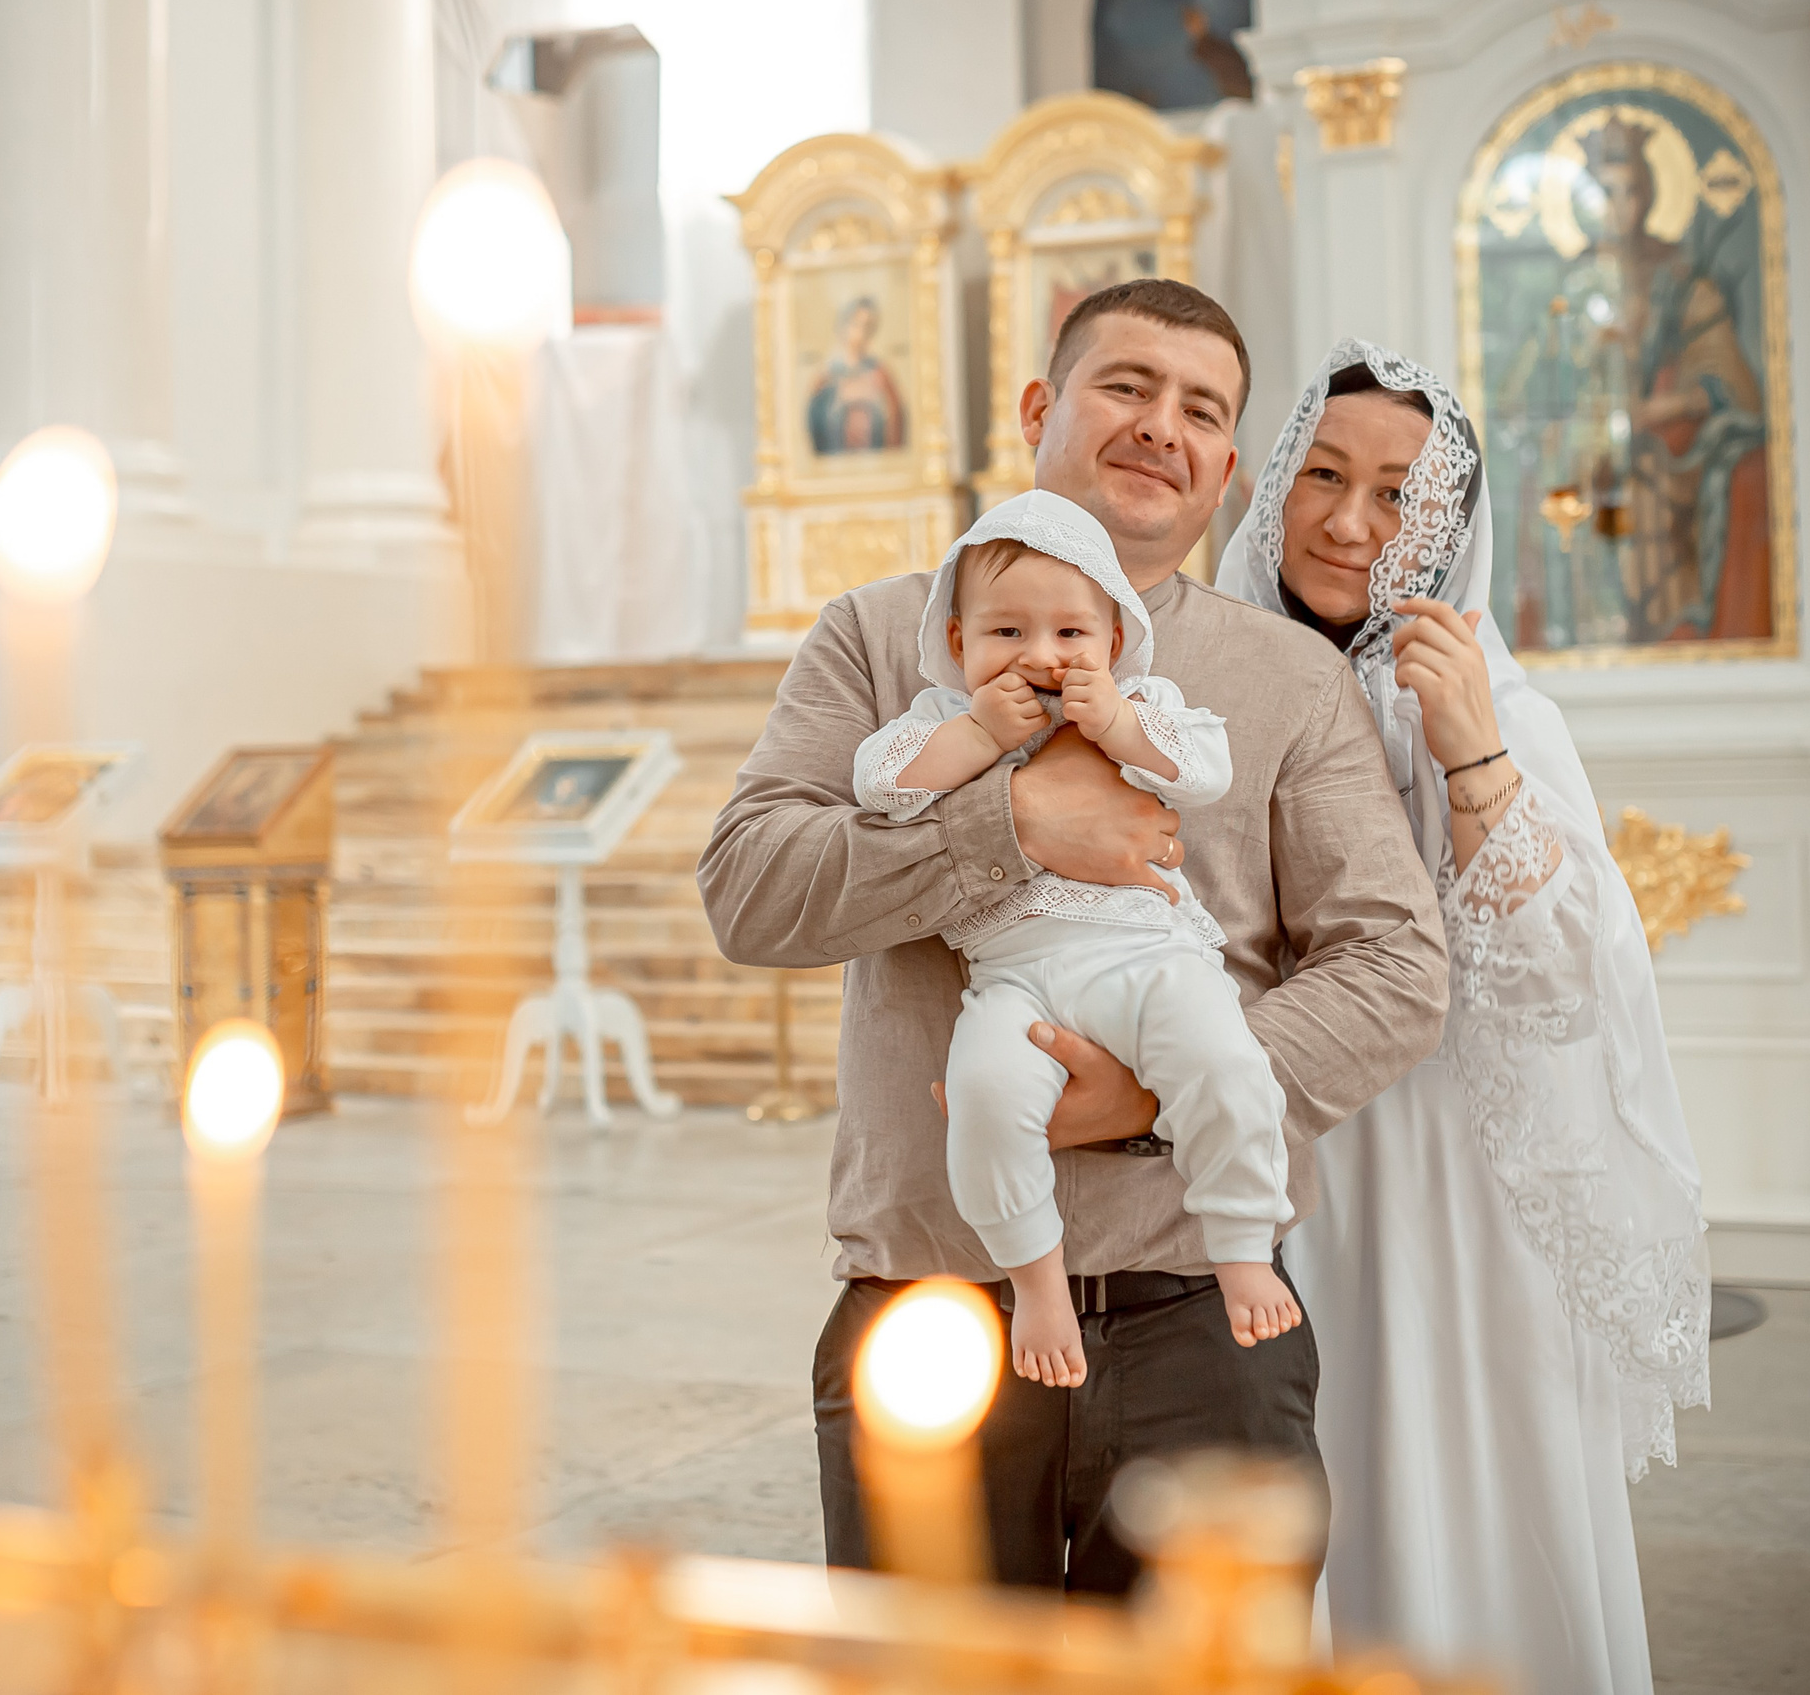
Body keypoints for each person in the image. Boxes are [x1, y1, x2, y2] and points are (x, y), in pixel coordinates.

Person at [698, 279, 1448, 1594]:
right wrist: (1008, 824)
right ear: (1040, 406)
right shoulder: (877, 639)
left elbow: (1396, 966)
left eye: (1201, 410)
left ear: (1227, 466)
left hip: (1201, 1319)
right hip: (930, 1311)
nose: (1162, 426)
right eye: (1127, 386)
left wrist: (1150, 1097)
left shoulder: (1287, 678)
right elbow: (751, 891)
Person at [1217, 339, 1708, 1693]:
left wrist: (1472, 752)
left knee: (1458, 1504)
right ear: (1274, 480)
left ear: (1446, 523)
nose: (1349, 522)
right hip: (1262, 1167)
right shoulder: (1203, 674)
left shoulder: (1490, 701)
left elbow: (1561, 983)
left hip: (1441, 1184)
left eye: (1397, 494)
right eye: (1322, 475)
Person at [848, 489, 1298, 1387]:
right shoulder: (943, 716)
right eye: (1006, 633)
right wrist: (979, 733)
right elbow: (880, 783)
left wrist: (1118, 723)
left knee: (1225, 1062)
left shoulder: (1142, 702)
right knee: (983, 1096)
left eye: (1070, 633)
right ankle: (1036, 1280)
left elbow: (1207, 767)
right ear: (957, 642)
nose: (1041, 656)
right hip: (1013, 979)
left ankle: (1243, 1243)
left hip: (1147, 956)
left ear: (1115, 640)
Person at [806, 295, 907, 455]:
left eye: (868, 326)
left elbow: (896, 419)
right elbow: (816, 423)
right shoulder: (827, 375)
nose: (861, 332)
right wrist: (841, 398)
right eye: (856, 324)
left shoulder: (879, 372)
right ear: (843, 325)